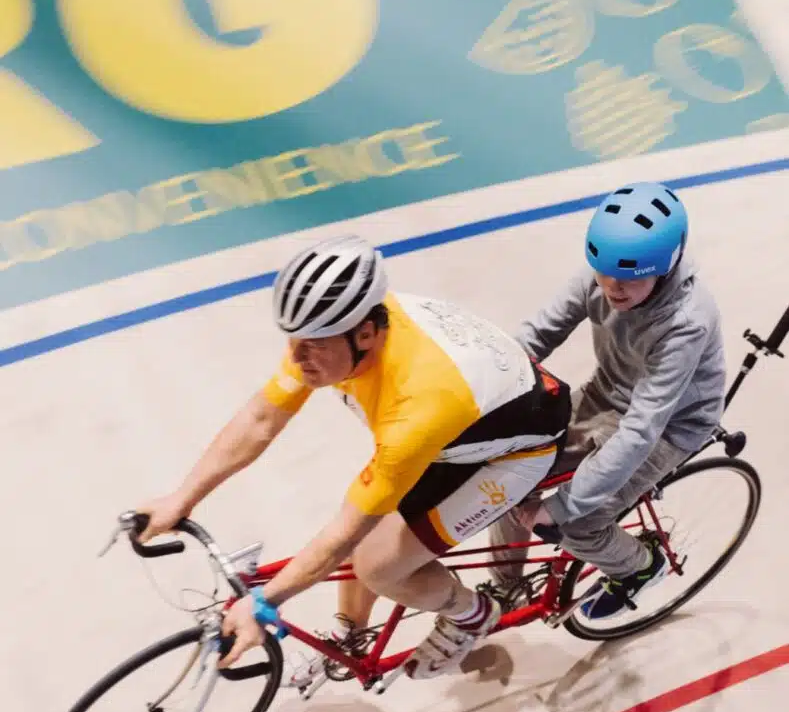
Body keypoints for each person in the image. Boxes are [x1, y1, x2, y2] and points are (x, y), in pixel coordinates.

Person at [136, 234, 572, 681]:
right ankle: (350, 638)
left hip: (511, 449)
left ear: (365, 333)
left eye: (313, 344)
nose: (296, 357)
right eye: (293, 339)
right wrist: (181, 498)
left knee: (376, 565)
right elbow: (260, 419)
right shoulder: (335, 331)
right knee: (361, 544)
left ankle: (471, 614)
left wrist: (265, 603)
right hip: (459, 419)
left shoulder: (421, 397)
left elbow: (345, 532)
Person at [488, 181, 727, 619]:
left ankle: (640, 565)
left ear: (666, 269)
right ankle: (506, 590)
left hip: (670, 426)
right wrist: (486, 385)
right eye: (604, 272)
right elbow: (538, 334)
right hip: (609, 392)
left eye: (631, 277)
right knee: (508, 473)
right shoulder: (601, 274)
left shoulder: (686, 322)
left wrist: (563, 506)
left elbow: (641, 430)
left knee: (578, 525)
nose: (613, 287)